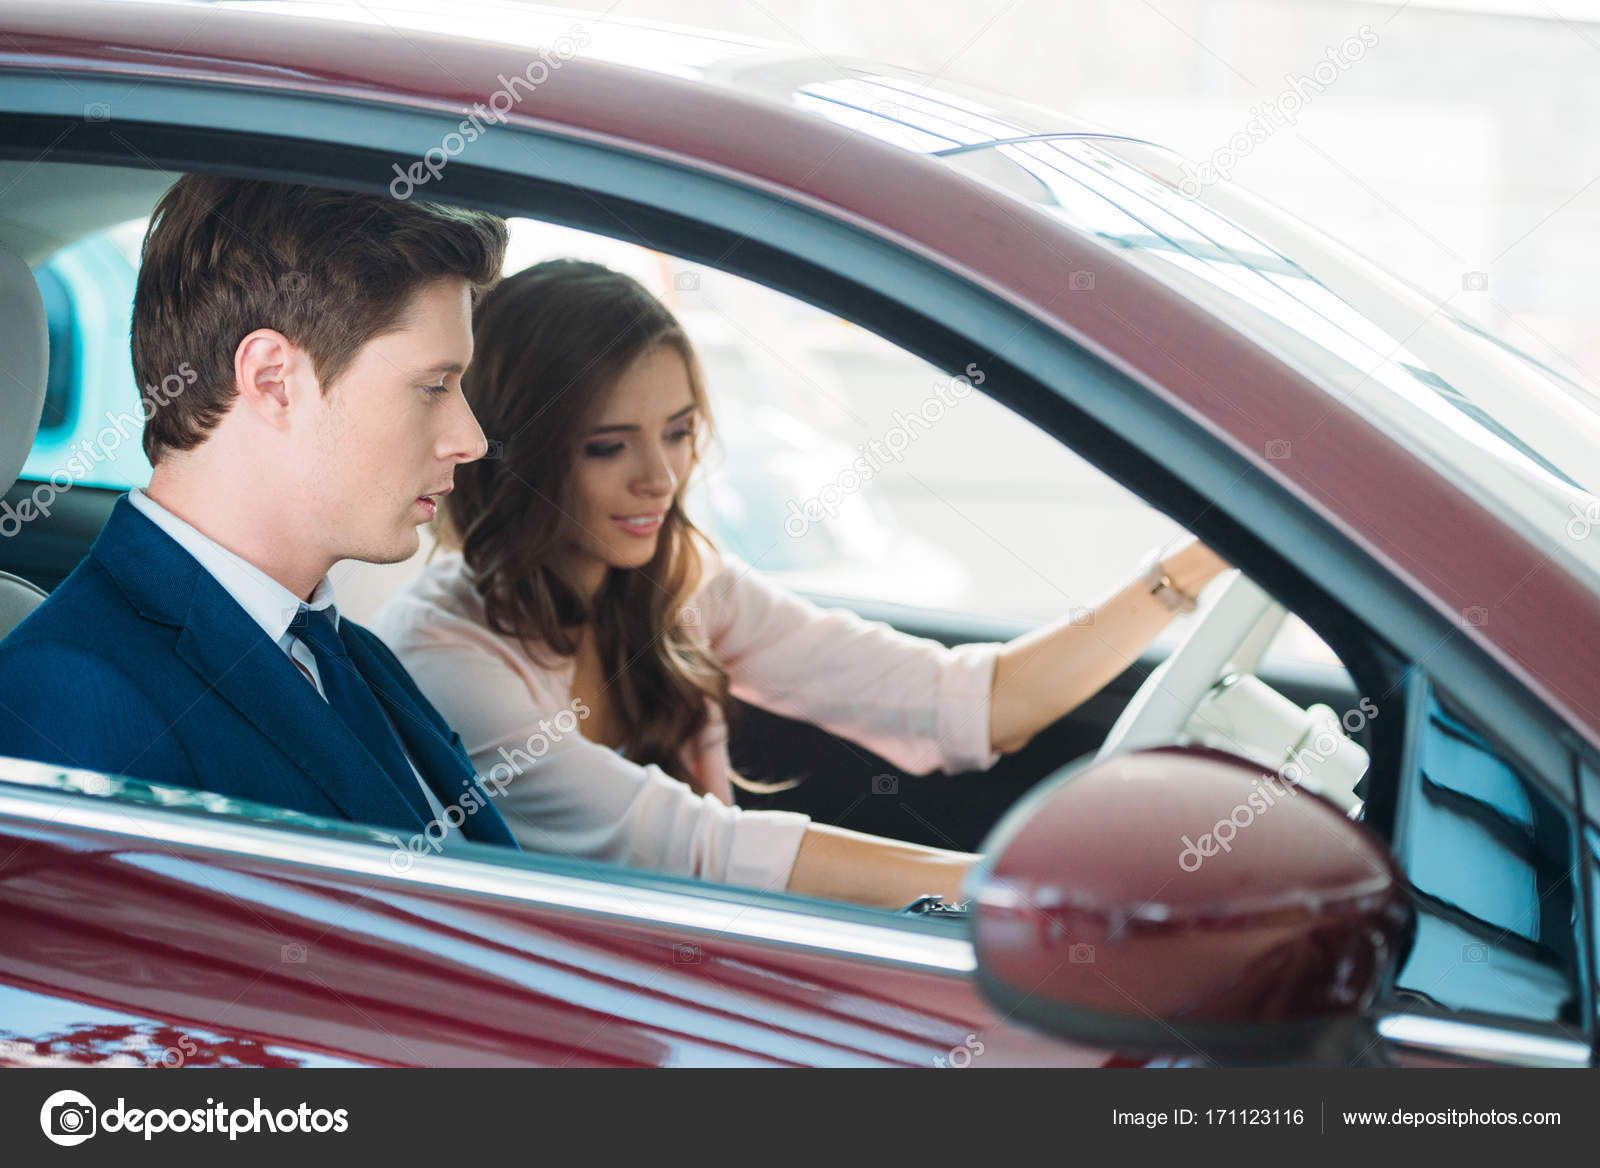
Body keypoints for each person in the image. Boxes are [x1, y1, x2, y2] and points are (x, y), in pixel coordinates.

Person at [370, 259, 1230, 907]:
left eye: (675, 433)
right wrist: (1017, 891)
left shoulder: (683, 584)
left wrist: (1191, 569)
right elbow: (696, 850)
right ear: (513, 452)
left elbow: (960, 700)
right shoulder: (444, 657)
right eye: (608, 446)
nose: (660, 479)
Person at [0, 175, 519, 853]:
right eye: (431, 388)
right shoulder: (71, 695)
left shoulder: (356, 657)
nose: (471, 439)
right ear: (274, 379)